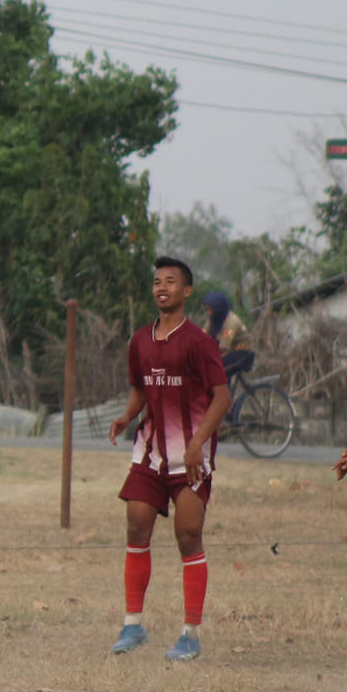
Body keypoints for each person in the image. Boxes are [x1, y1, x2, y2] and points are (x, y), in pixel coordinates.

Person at [107, 256, 230, 663]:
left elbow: (222, 396)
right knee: (136, 523)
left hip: (191, 455)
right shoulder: (140, 340)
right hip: (151, 450)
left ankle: (190, 634)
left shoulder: (199, 341)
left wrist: (198, 443)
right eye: (157, 281)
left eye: (171, 282)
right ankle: (132, 625)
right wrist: (127, 416)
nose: (162, 287)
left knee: (188, 534)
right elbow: (140, 389)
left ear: (186, 291)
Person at [203, 290, 255, 383]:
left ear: (217, 308)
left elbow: (223, 348)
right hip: (229, 352)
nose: (208, 312)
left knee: (215, 370)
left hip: (242, 354)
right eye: (207, 309)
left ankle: (223, 396)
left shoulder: (231, 322)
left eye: (210, 309)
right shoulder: (213, 319)